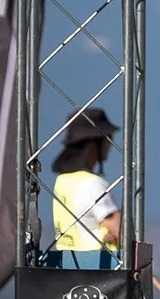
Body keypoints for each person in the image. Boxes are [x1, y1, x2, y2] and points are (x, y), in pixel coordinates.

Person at [50, 107, 121, 267]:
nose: (110, 143)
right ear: (93, 143)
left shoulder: (62, 181)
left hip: (66, 266)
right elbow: (122, 232)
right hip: (98, 268)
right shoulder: (93, 184)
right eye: (107, 137)